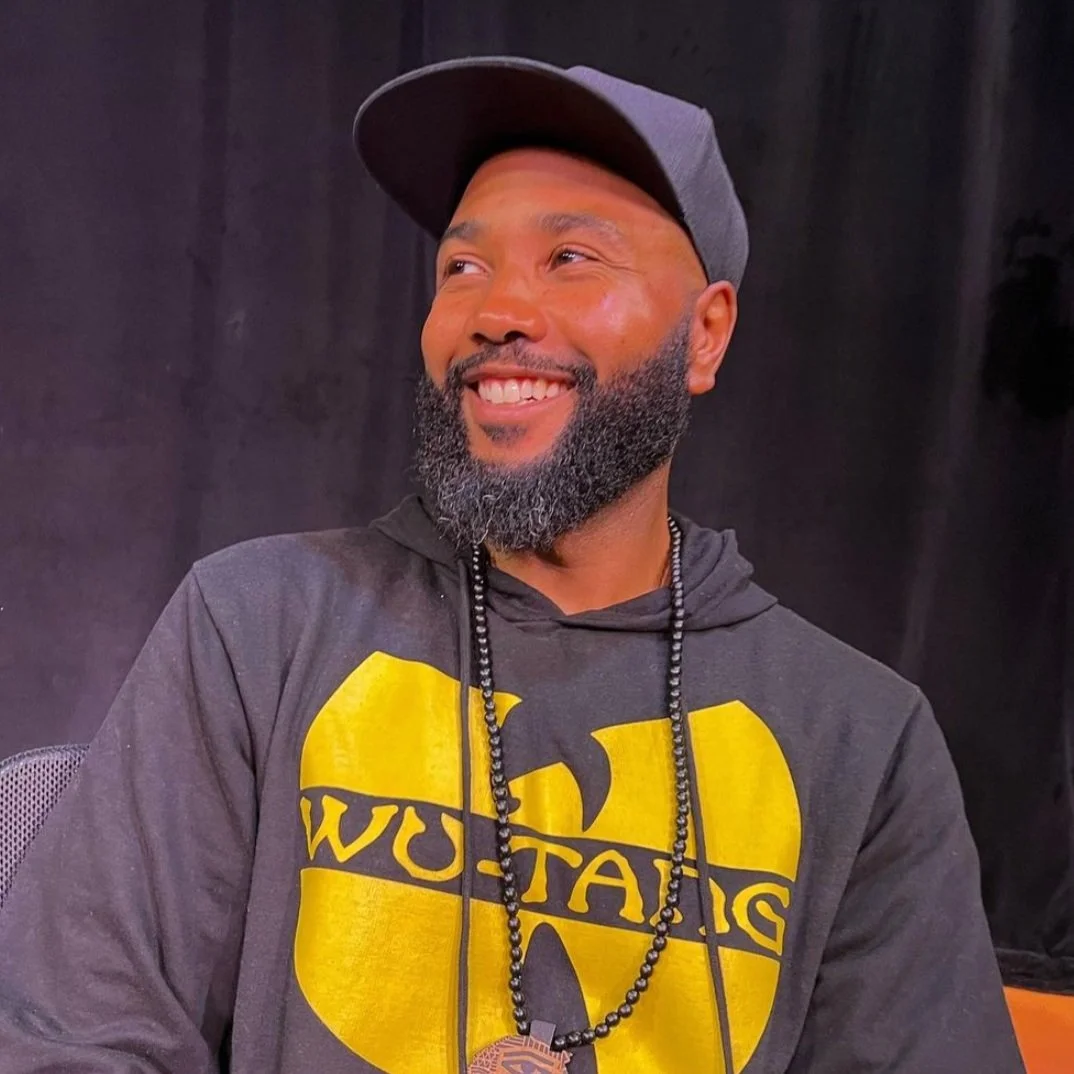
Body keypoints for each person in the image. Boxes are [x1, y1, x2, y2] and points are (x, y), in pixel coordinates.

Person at [0, 57, 1024, 1074]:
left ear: (704, 335)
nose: (496, 311)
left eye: (571, 258)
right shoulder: (257, 628)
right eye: (462, 267)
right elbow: (72, 1042)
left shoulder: (859, 743)